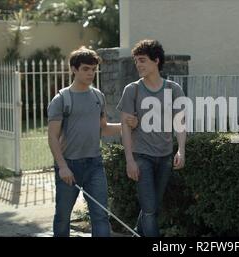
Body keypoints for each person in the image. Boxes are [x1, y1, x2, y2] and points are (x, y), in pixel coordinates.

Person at [47, 46, 137, 237]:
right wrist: (62, 166)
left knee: (100, 215)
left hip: (94, 164)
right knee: (63, 216)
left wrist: (125, 125)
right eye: (86, 69)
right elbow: (52, 137)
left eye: (93, 69)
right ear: (74, 69)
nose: (91, 73)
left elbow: (103, 128)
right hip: (69, 165)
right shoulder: (61, 99)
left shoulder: (98, 96)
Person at [117, 39, 187, 237]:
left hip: (165, 157)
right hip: (142, 157)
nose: (138, 64)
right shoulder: (132, 90)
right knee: (149, 209)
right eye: (136, 61)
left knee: (153, 207)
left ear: (156, 61)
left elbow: (180, 124)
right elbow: (125, 127)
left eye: (142, 60)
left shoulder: (174, 89)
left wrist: (181, 149)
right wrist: (129, 160)